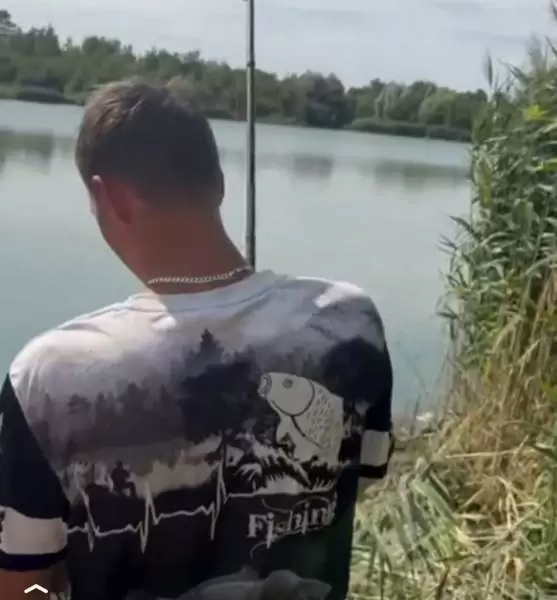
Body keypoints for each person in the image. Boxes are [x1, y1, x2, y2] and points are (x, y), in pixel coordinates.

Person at [0, 78, 394, 600]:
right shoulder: (352, 323)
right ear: (219, 184)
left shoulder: (46, 378)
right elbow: (355, 477)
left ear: (109, 196)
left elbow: (21, 586)